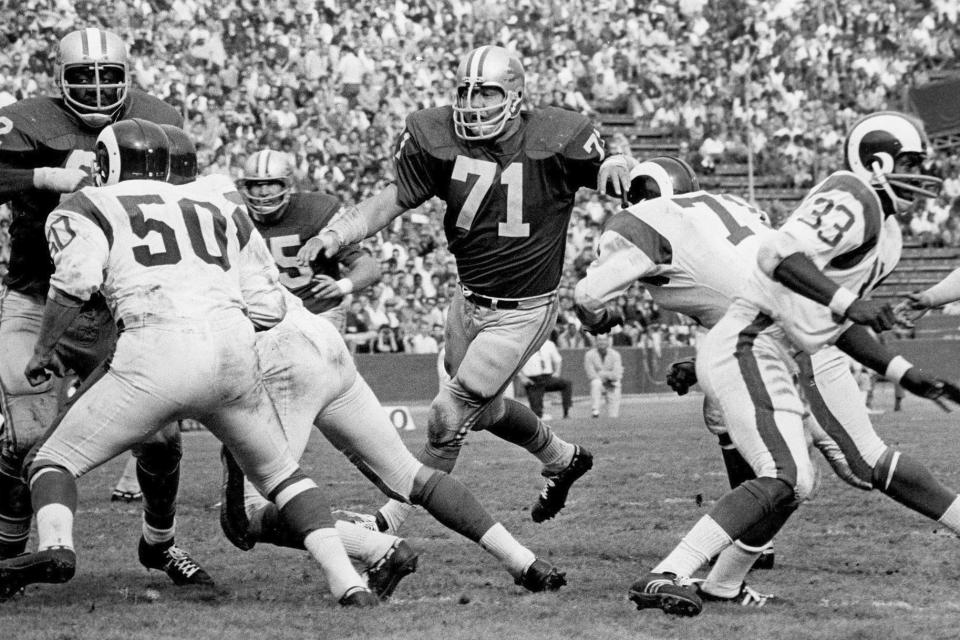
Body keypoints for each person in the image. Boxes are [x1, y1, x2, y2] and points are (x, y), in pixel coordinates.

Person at [0, 120, 378, 607]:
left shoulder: (87, 205)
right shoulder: (219, 205)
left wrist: (43, 350)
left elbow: (74, 283)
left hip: (154, 352)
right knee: (284, 476)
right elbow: (268, 307)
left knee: (50, 460)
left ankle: (57, 549)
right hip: (233, 353)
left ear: (109, 163)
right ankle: (348, 583)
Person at [628, 112, 960, 616]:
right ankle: (667, 572)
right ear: (878, 161)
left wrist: (901, 372)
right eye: (911, 162)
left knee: (804, 479)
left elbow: (830, 322)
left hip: (787, 348)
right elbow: (778, 255)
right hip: (754, 344)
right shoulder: (853, 194)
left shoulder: (888, 236)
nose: (921, 173)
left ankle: (721, 585)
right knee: (785, 472)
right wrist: (850, 303)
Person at [298, 45, 635, 528]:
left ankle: (386, 526)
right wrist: (337, 232)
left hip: (523, 308)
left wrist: (618, 162)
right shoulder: (436, 135)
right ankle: (564, 459)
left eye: (488, 92)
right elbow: (389, 201)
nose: (474, 105)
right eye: (466, 92)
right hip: (467, 298)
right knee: (487, 408)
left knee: (447, 417)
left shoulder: (557, 135)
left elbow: (606, 166)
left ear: (517, 96)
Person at [0, 27, 206, 585]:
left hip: (120, 306)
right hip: (40, 297)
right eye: (83, 76)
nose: (95, 88)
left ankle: (158, 543)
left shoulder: (159, 119)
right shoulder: (27, 119)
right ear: (58, 77)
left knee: (161, 441)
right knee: (23, 438)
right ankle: (10, 552)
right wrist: (44, 176)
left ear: (127, 76)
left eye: (107, 76)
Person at [220, 288, 568, 595]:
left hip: (277, 351)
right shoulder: (238, 229)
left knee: (248, 512)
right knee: (409, 473)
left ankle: (379, 551)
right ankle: (525, 562)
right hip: (320, 335)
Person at [237, 149, 380, 332]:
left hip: (317, 314)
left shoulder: (314, 212)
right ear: (246, 187)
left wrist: (341, 286)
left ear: (286, 185)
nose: (264, 192)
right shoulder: (238, 218)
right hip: (268, 320)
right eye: (256, 185)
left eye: (272, 183)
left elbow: (369, 267)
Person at [517, 332, 572, 420]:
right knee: (537, 414)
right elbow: (515, 363)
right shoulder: (524, 344)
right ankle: (539, 414)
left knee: (566, 384)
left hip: (547, 378)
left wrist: (557, 372)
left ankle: (566, 412)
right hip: (532, 380)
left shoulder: (549, 344)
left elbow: (558, 360)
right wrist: (522, 377)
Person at [583, 334, 622, 418]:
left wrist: (602, 373)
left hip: (612, 383)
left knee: (613, 415)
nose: (602, 342)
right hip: (599, 383)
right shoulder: (589, 355)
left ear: (608, 341)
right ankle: (595, 411)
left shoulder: (615, 355)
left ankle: (613, 418)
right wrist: (605, 376)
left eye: (604, 340)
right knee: (595, 383)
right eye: (599, 340)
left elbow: (616, 374)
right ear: (596, 341)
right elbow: (591, 374)